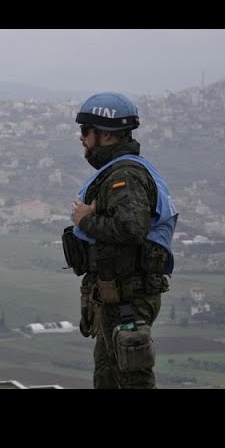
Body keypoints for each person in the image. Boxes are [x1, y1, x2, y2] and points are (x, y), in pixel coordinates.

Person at [63, 92, 178, 389]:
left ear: (105, 135)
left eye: (85, 131)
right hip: (116, 297)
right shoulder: (118, 171)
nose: (81, 138)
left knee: (131, 379)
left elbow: (131, 229)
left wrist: (86, 219)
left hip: (129, 297)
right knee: (108, 377)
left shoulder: (125, 175)